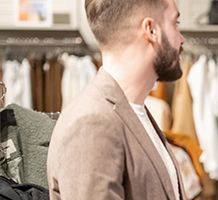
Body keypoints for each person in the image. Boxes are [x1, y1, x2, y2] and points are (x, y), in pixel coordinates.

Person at [46, 0, 186, 199]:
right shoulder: (92, 123)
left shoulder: (133, 112)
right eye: (175, 24)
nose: (181, 39)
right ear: (151, 29)